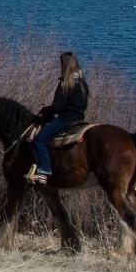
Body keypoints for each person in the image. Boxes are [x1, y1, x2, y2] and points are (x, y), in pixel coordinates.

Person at [27, 51, 89, 185]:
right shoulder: (82, 82)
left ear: (65, 65)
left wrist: (45, 109)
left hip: (65, 120)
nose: (60, 66)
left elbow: (58, 107)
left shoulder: (66, 83)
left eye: (61, 63)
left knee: (39, 140)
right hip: (80, 119)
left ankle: (44, 170)